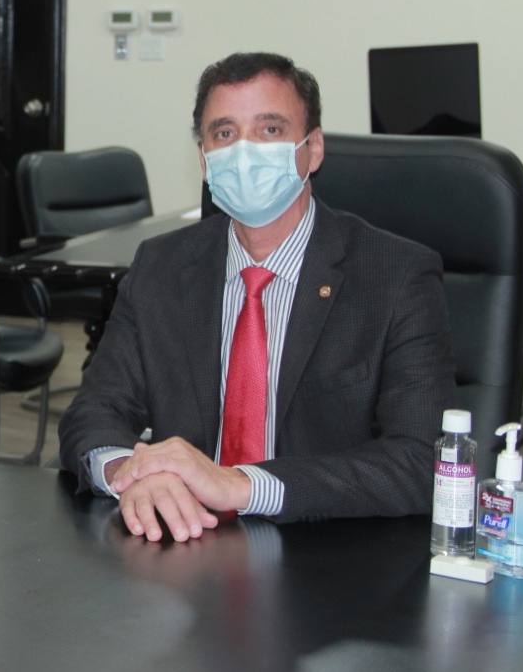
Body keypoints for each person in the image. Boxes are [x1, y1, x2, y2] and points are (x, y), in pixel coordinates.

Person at [58, 52, 455, 542]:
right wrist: (131, 472)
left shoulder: (395, 276)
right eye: (225, 133)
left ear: (313, 149)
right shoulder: (161, 267)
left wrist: (243, 486)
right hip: (185, 543)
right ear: (204, 158)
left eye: (270, 129)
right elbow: (94, 412)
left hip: (329, 556)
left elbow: (421, 460)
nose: (244, 151)